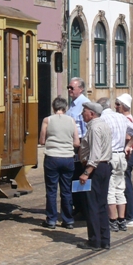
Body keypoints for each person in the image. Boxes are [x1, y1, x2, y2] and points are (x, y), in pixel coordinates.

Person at [39, 96, 81, 229]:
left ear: (53, 108)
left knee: (51, 190)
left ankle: (51, 220)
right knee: (66, 190)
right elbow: (76, 142)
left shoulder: (47, 120)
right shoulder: (71, 120)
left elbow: (42, 141)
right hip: (68, 158)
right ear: (65, 108)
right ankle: (68, 220)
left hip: (52, 157)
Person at [99, 97, 133, 233]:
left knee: (110, 190)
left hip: (109, 156)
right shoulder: (121, 117)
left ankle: (112, 220)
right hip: (121, 156)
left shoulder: (102, 119)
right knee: (120, 188)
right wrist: (128, 146)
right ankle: (122, 220)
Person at [77, 101, 112, 250]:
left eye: (84, 111)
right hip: (104, 167)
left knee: (92, 205)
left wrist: (86, 172)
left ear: (91, 113)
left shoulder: (94, 127)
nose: (82, 114)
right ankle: (105, 239)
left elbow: (95, 153)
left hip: (95, 169)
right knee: (102, 204)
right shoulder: (104, 125)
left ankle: (94, 240)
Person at [66, 78, 89, 220]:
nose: (69, 90)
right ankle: (77, 207)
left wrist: (82, 149)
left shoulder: (84, 104)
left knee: (79, 177)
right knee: (73, 177)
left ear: (81, 89)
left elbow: (86, 129)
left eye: (72, 88)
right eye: (68, 87)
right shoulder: (73, 104)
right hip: (72, 144)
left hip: (79, 145)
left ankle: (83, 209)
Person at [116, 93, 133, 227]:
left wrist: (128, 146)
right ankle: (126, 215)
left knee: (125, 185)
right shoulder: (125, 117)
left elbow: (128, 136)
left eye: (118, 104)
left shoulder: (126, 119)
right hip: (126, 154)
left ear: (124, 106)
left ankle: (129, 216)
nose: (115, 107)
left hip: (127, 155)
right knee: (123, 184)